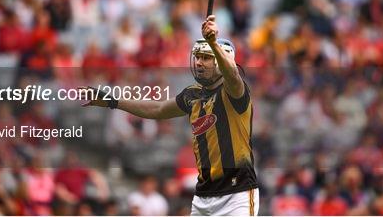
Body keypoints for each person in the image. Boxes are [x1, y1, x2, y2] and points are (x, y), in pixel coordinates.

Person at [80, 15, 259, 216]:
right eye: (198, 57)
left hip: (236, 194)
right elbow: (158, 110)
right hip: (204, 195)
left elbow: (232, 76)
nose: (199, 62)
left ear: (221, 60)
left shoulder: (235, 92)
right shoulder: (193, 94)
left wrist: (213, 44)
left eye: (206, 58)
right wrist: (113, 101)